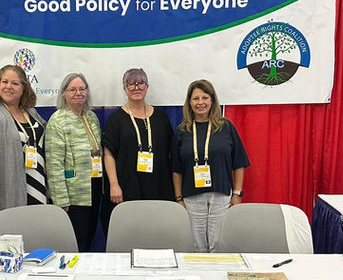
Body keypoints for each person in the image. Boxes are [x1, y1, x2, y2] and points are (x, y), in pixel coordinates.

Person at [171, 79, 250, 252]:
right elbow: (176, 169)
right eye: (195, 98)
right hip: (192, 197)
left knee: (218, 244)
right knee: (197, 245)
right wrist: (179, 199)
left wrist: (237, 194)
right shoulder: (182, 130)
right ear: (189, 102)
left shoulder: (226, 127)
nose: (200, 103)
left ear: (212, 100)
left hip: (221, 196)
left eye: (205, 98)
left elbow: (239, 163)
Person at [101, 68, 175, 235]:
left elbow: (170, 152)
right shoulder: (116, 119)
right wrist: (114, 185)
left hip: (158, 188)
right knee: (130, 233)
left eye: (141, 83)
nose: (136, 87)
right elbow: (108, 154)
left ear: (147, 87)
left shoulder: (161, 117)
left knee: (156, 233)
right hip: (127, 188)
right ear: (124, 89)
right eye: (131, 84)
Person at [0, 65, 47, 223]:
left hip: (36, 184)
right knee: (12, 229)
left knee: (35, 229)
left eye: (15, 83)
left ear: (24, 88)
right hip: (8, 189)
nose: (8, 87)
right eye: (4, 82)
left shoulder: (30, 111)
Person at [45, 73, 102, 251]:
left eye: (82, 89)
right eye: (73, 89)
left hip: (94, 187)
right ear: (64, 93)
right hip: (73, 193)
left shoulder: (91, 117)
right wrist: (61, 200)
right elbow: (54, 164)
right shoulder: (57, 120)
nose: (78, 93)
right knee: (77, 244)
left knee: (89, 238)